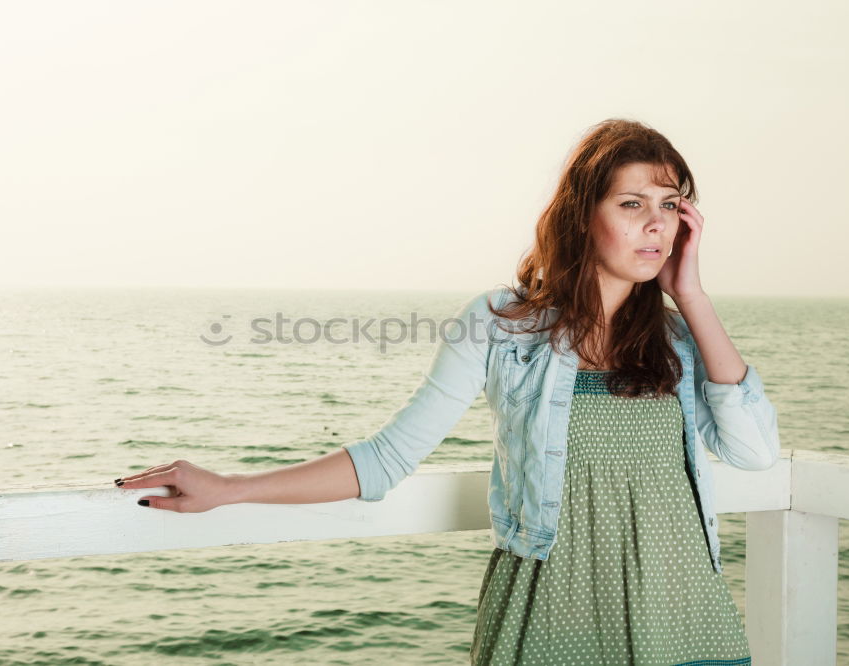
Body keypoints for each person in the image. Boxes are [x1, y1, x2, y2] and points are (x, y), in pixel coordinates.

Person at [113, 118, 780, 665]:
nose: (655, 225)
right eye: (632, 204)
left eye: (670, 206)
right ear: (584, 215)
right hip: (555, 620)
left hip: (689, 617)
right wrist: (231, 488)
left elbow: (753, 452)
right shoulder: (501, 326)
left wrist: (691, 295)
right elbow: (388, 458)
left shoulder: (679, 337)